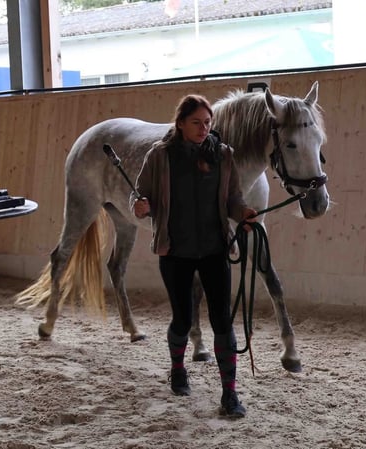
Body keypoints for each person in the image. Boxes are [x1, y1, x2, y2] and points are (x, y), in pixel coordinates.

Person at [130, 94, 257, 418]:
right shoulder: (160, 156)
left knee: (221, 320)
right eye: (196, 123)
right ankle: (178, 370)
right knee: (183, 318)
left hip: (215, 250)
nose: (204, 129)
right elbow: (141, 194)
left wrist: (243, 213)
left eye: (208, 122)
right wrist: (140, 206)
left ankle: (230, 394)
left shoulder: (223, 155)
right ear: (181, 123)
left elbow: (233, 199)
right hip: (176, 252)